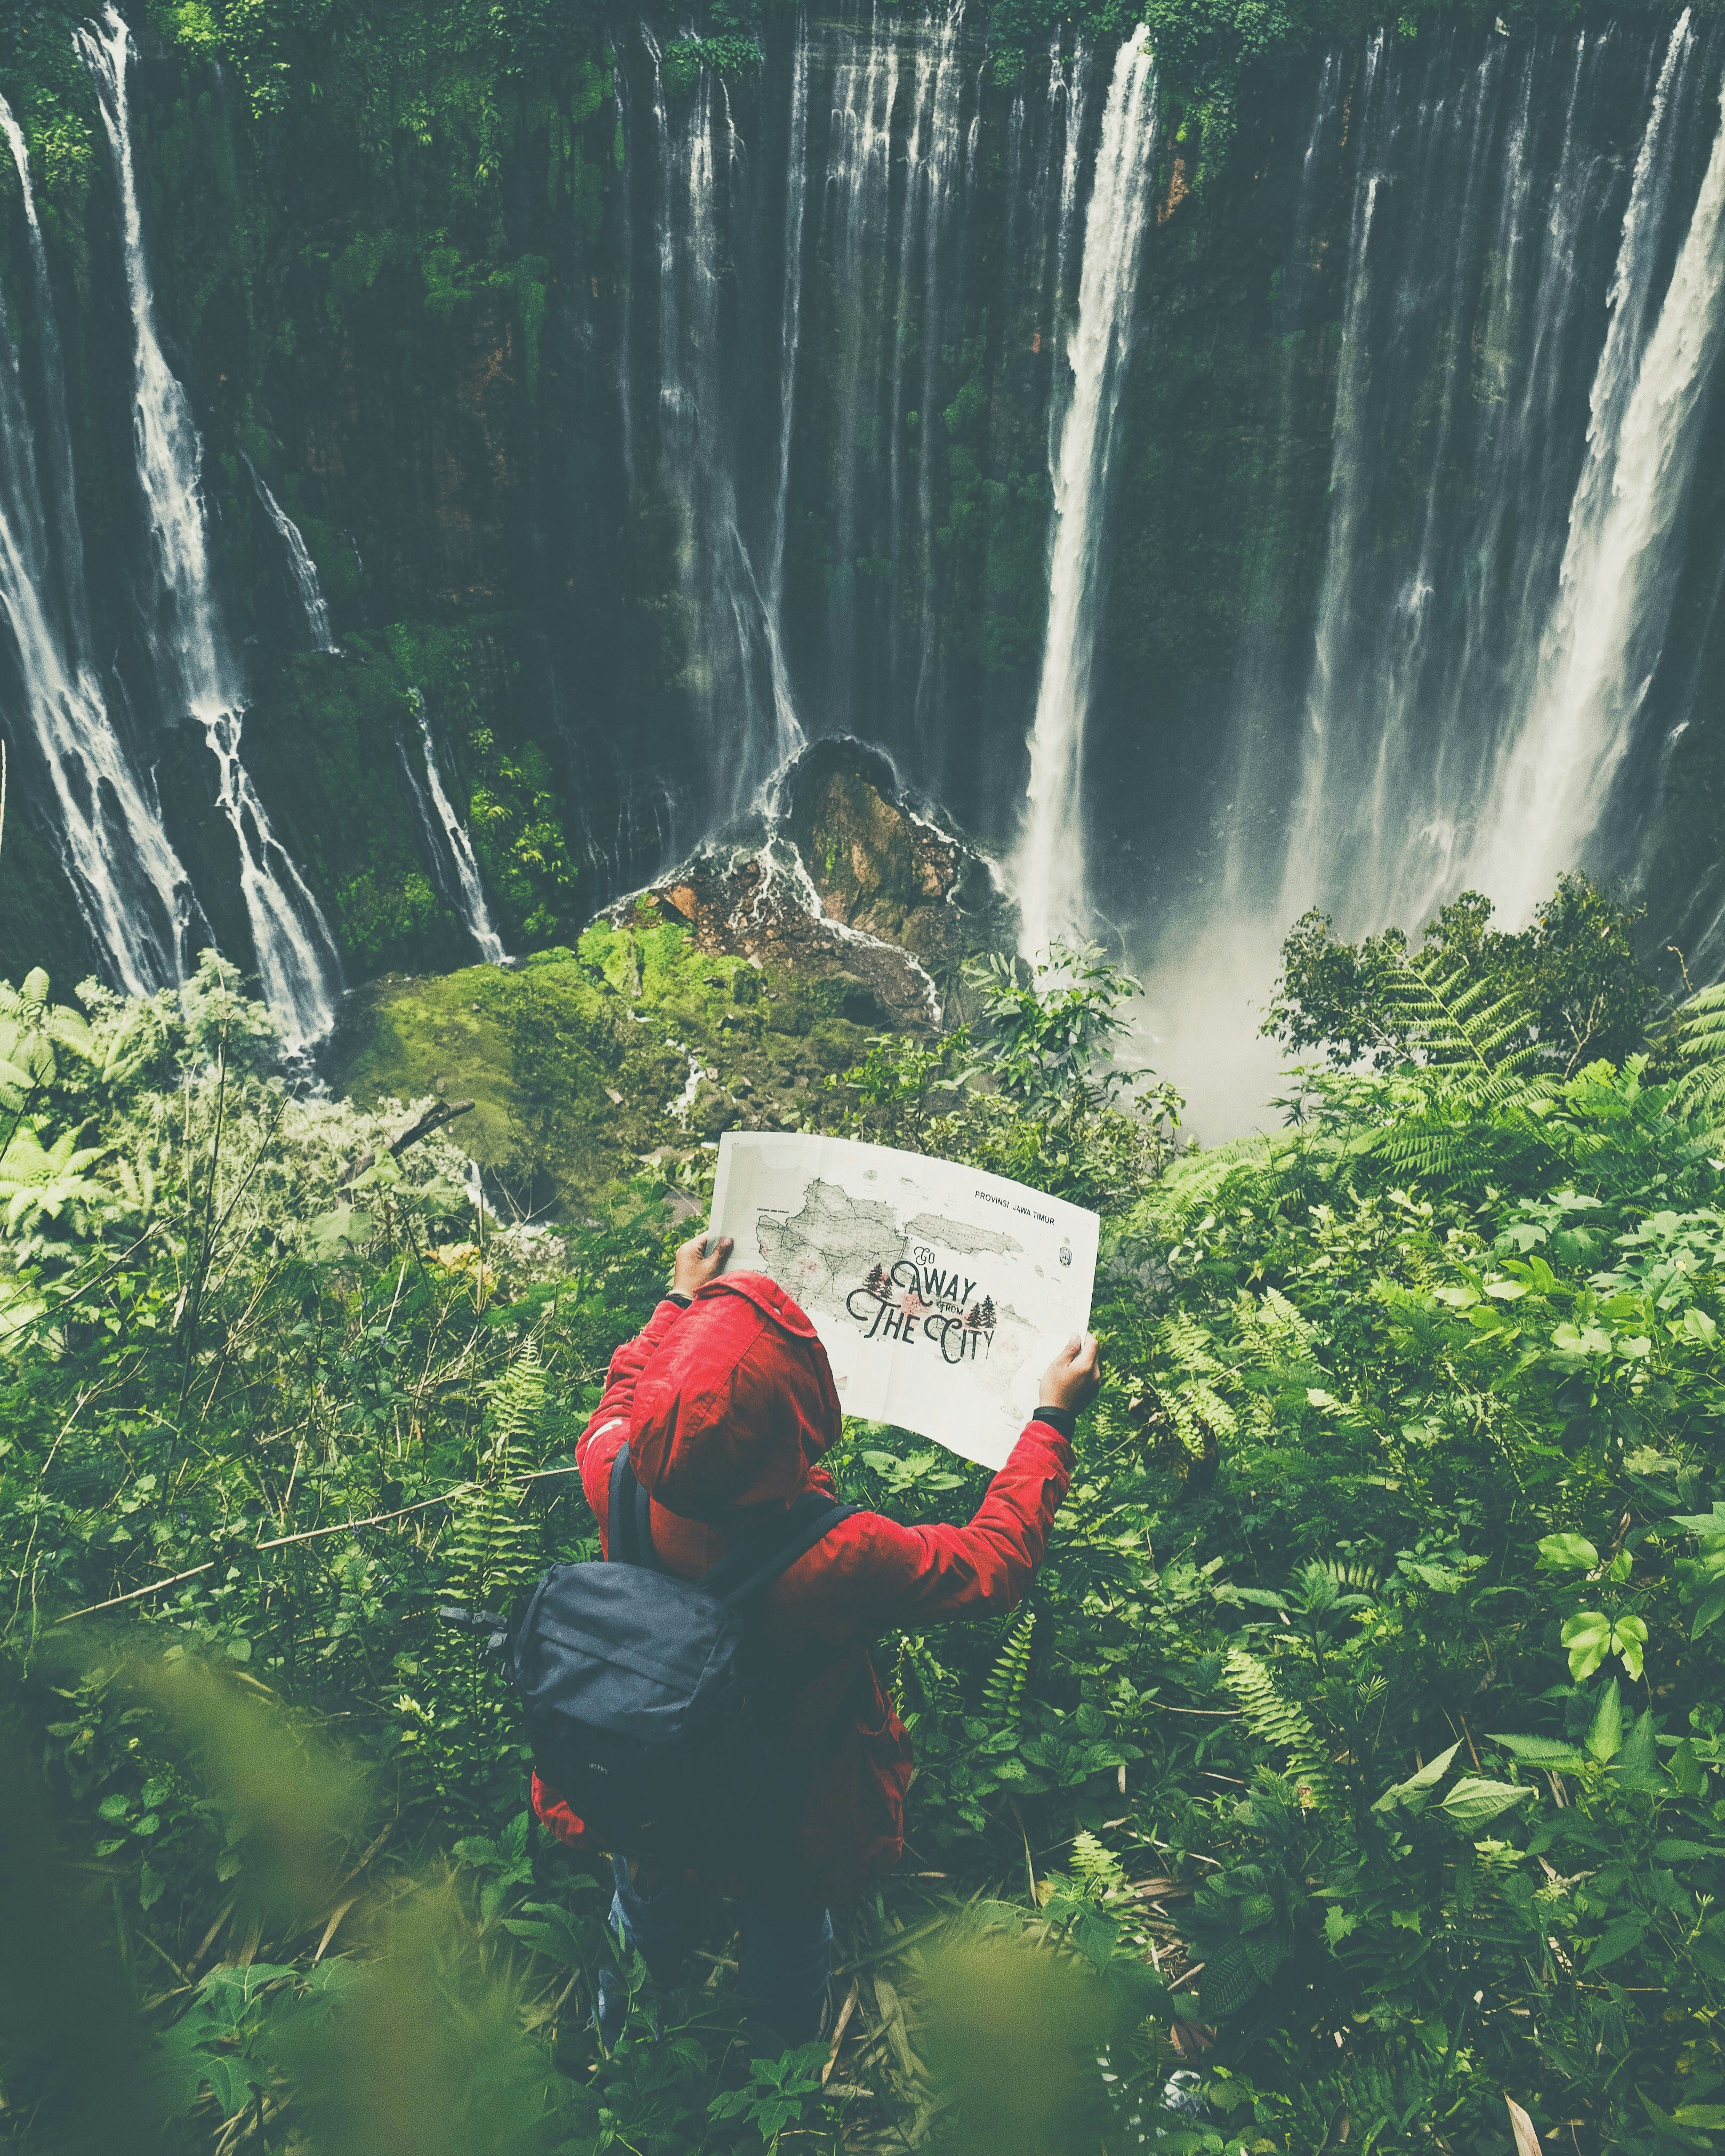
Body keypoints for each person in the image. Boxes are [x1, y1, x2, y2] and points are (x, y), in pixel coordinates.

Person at [533, 1230, 1102, 2044]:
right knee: (788, 1934)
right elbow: (993, 1561)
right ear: (800, 1412)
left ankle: (618, 2038)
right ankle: (785, 2063)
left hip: (650, 1782)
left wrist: (678, 1303)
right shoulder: (839, 1555)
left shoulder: (612, 1470)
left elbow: (621, 1398)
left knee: (643, 1896)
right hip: (783, 1810)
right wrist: (1049, 1418)